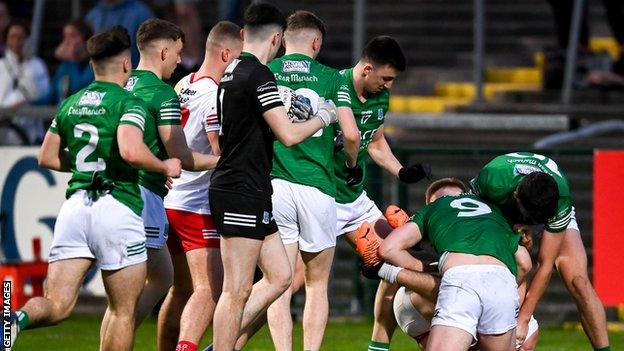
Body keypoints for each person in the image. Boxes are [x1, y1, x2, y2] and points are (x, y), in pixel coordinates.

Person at [5, 26, 181, 351]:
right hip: (117, 206)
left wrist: (92, 165)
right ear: (127, 65)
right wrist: (162, 165)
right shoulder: (129, 102)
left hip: (75, 209)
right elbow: (130, 150)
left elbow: (47, 156)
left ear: (91, 66)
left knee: (56, 304)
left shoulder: (71, 103)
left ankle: (18, 318)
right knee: (123, 312)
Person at [208, 3, 339, 350]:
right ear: (278, 38)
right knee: (235, 290)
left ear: (242, 35)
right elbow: (290, 135)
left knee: (281, 275)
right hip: (241, 188)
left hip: (251, 186)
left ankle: (223, 337)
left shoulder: (233, 69)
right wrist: (323, 117)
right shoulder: (259, 74)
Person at [99, 18, 220, 341]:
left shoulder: (119, 85)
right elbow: (183, 155)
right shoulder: (162, 93)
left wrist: (156, 165)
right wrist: (223, 161)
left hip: (109, 192)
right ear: (164, 51)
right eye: (178, 53)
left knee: (151, 284)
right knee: (132, 298)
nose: (180, 60)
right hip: (141, 199)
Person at [261, 10, 360, 350]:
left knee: (279, 282)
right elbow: (351, 133)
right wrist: (349, 163)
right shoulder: (334, 78)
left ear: (283, 39)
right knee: (317, 284)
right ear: (316, 41)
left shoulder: (265, 72)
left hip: (274, 184)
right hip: (317, 185)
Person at [332, 35, 430, 351]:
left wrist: (401, 171)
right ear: (368, 69)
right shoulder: (332, 86)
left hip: (353, 197)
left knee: (393, 254)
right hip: (319, 197)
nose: (388, 86)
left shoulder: (379, 96)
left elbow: (374, 142)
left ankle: (378, 347)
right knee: (287, 284)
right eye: (386, 78)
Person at [357, 178, 521, 351]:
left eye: (453, 198)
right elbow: (524, 264)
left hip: (473, 290)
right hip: (423, 303)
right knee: (460, 279)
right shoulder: (493, 217)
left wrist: (524, 317)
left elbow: (388, 250)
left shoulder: (484, 223)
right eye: (443, 200)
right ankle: (378, 344)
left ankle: (386, 267)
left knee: (527, 333)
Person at [470, 152, 611, 351]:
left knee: (578, 280)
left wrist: (524, 320)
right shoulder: (493, 180)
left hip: (542, 208)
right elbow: (473, 219)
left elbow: (545, 264)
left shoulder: (559, 196)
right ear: (516, 195)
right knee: (504, 263)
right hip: (500, 211)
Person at [158, 21, 242, 351]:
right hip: (198, 205)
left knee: (180, 289)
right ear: (225, 53)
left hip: (173, 200)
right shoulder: (216, 96)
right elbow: (219, 149)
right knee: (209, 289)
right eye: (238, 57)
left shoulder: (183, 84)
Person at [0, 21, 50, 143]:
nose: (17, 41)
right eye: (12, 37)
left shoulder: (37, 65)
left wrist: (26, 66)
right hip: (4, 128)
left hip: (31, 129)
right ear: (6, 40)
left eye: (21, 37)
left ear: (27, 39)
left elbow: (43, 94)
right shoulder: (1, 65)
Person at [34, 20, 94, 106]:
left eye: (72, 36)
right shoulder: (65, 66)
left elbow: (78, 89)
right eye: (65, 36)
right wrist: (28, 103)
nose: (67, 41)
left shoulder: (95, 65)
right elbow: (50, 96)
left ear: (85, 38)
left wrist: (71, 59)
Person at [85, 0, 154, 66]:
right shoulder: (93, 16)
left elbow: (151, 54)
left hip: (133, 74)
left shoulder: (142, 13)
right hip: (99, 74)